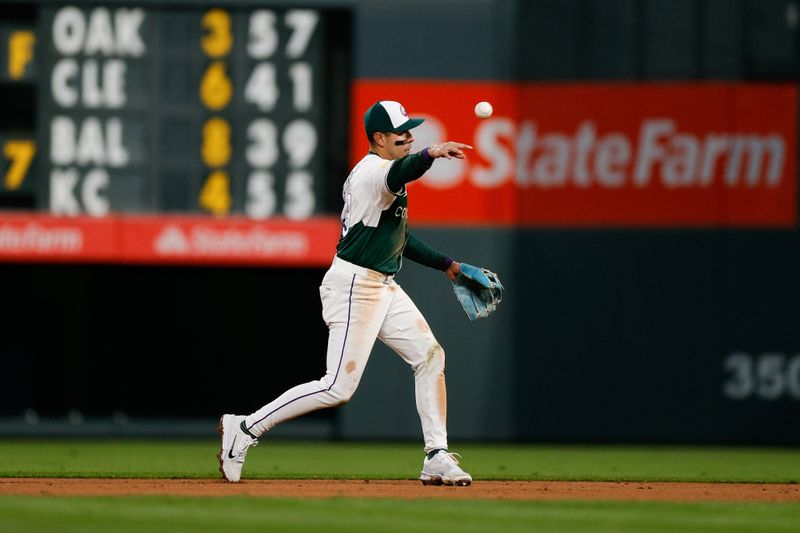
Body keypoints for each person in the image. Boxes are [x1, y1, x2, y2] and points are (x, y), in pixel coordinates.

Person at [218, 100, 474, 486]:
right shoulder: (375, 172)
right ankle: (246, 427)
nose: (409, 136)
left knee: (430, 356)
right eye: (400, 131)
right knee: (337, 387)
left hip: (382, 284)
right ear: (379, 138)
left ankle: (436, 455)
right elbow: (405, 168)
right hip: (356, 286)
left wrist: (449, 267)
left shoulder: (385, 174)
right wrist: (430, 153)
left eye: (411, 130)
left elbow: (399, 238)